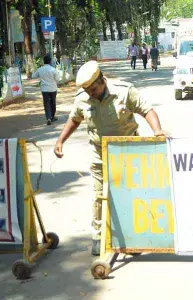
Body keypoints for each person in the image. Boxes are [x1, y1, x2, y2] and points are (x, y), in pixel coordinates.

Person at [53, 60, 170, 256]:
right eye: (88, 90)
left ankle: (133, 237)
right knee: (100, 195)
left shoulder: (124, 91)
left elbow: (146, 109)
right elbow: (74, 119)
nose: (91, 93)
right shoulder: (82, 98)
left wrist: (157, 130)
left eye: (94, 89)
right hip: (100, 153)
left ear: (103, 79)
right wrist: (60, 140)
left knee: (131, 195)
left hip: (129, 152)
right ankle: (99, 236)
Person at [32, 55, 60, 125]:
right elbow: (58, 79)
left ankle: (48, 118)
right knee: (53, 103)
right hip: (53, 88)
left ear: (43, 62)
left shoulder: (40, 69)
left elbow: (33, 76)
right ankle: (52, 116)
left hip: (44, 89)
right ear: (50, 61)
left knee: (46, 103)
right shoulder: (53, 70)